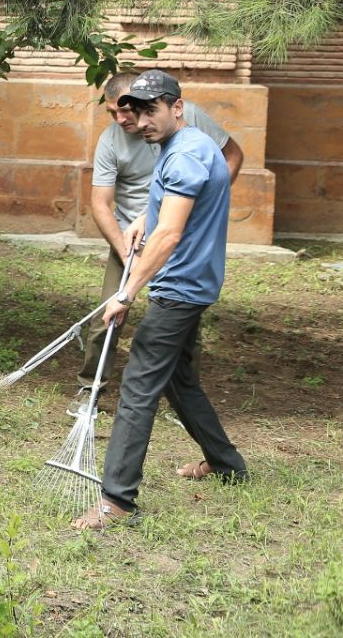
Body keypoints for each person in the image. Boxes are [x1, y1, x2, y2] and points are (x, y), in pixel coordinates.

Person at [73, 69, 248, 531]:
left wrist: (126, 292)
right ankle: (226, 463)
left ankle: (118, 500)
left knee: (138, 387)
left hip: (180, 287)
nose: (142, 120)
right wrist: (143, 220)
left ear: (177, 108)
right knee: (178, 379)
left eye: (152, 110)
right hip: (192, 282)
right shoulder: (180, 148)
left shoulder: (187, 153)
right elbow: (168, 214)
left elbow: (171, 234)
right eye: (135, 110)